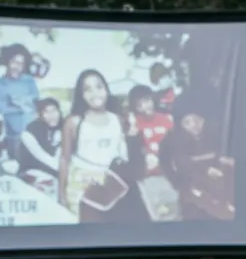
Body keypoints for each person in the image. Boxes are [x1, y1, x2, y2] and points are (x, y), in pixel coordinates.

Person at [58, 69, 129, 218]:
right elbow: (65, 159)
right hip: (80, 188)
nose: (95, 93)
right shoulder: (73, 122)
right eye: (87, 89)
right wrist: (61, 194)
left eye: (99, 87)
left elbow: (122, 155)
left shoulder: (117, 120)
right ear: (81, 95)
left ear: (106, 90)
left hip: (110, 187)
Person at [0, 44, 39, 162]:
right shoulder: (0, 84)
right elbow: (0, 108)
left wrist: (22, 101)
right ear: (7, 61)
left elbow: (36, 101)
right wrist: (19, 107)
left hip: (34, 134)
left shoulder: (29, 81)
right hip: (14, 136)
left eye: (21, 64)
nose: (17, 66)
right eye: (14, 62)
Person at [127, 84, 174, 176]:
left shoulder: (166, 118)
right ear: (135, 108)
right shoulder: (135, 123)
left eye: (147, 100)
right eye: (139, 105)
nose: (145, 106)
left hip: (168, 170)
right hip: (147, 173)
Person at [18, 97, 63, 187]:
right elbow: (45, 159)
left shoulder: (65, 127)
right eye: (46, 112)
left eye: (54, 110)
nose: (52, 115)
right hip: (35, 173)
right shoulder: (30, 132)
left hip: (59, 174)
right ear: (40, 114)